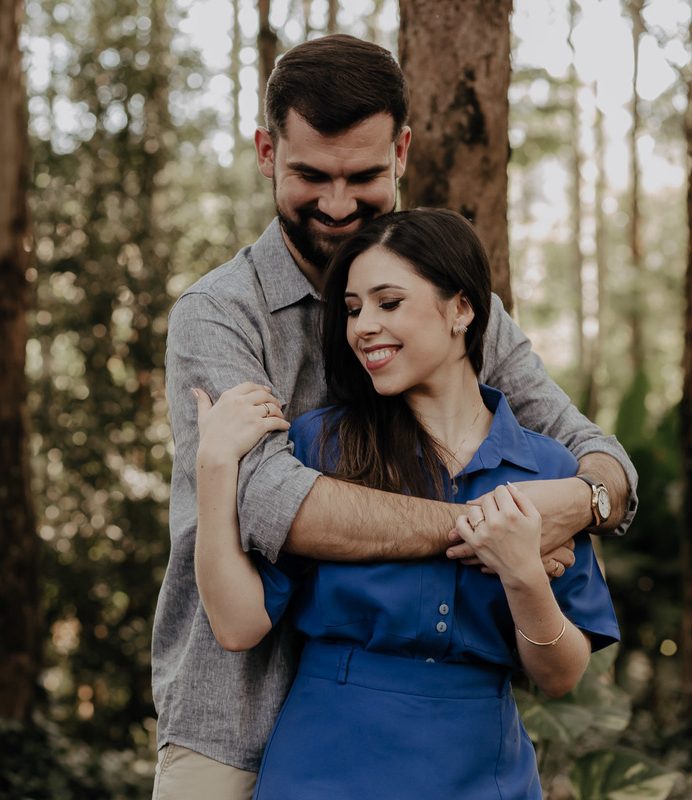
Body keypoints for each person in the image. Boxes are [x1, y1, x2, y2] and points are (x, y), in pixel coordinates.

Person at [151, 34, 636, 800]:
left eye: (364, 176)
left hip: (450, 744)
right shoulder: (219, 314)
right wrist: (497, 527)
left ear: (402, 152)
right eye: (311, 174)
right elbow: (279, 504)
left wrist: (583, 500)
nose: (338, 205)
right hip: (237, 718)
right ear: (266, 152)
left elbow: (587, 451)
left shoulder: (465, 309)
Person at [193, 208, 619, 798]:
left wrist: (522, 572)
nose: (363, 325)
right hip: (324, 769)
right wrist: (214, 468)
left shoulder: (548, 471)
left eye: (387, 303)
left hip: (484, 773)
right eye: (352, 308)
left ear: (462, 309)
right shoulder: (322, 444)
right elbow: (238, 624)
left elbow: (561, 675)